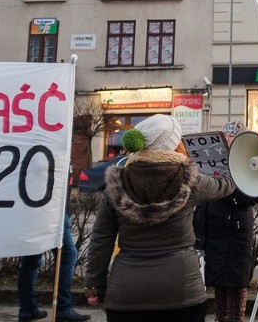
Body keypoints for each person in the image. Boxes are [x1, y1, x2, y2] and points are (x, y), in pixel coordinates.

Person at [85, 114, 237, 322]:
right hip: (180, 289)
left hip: (126, 292)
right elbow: (226, 185)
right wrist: (226, 157)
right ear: (174, 145)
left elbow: (101, 240)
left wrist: (94, 284)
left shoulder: (116, 183)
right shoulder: (190, 180)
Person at [194, 121, 258, 322]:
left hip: (236, 229)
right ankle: (220, 318)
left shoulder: (248, 161)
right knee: (219, 282)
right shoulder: (212, 161)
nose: (226, 139)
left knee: (236, 280)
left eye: (230, 136)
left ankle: (235, 318)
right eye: (224, 135)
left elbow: (253, 195)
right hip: (215, 229)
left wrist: (225, 187)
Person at [17, 212, 90, 322]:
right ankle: (63, 308)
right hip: (55, 212)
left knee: (32, 256)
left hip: (35, 212)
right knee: (67, 254)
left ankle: (27, 309)